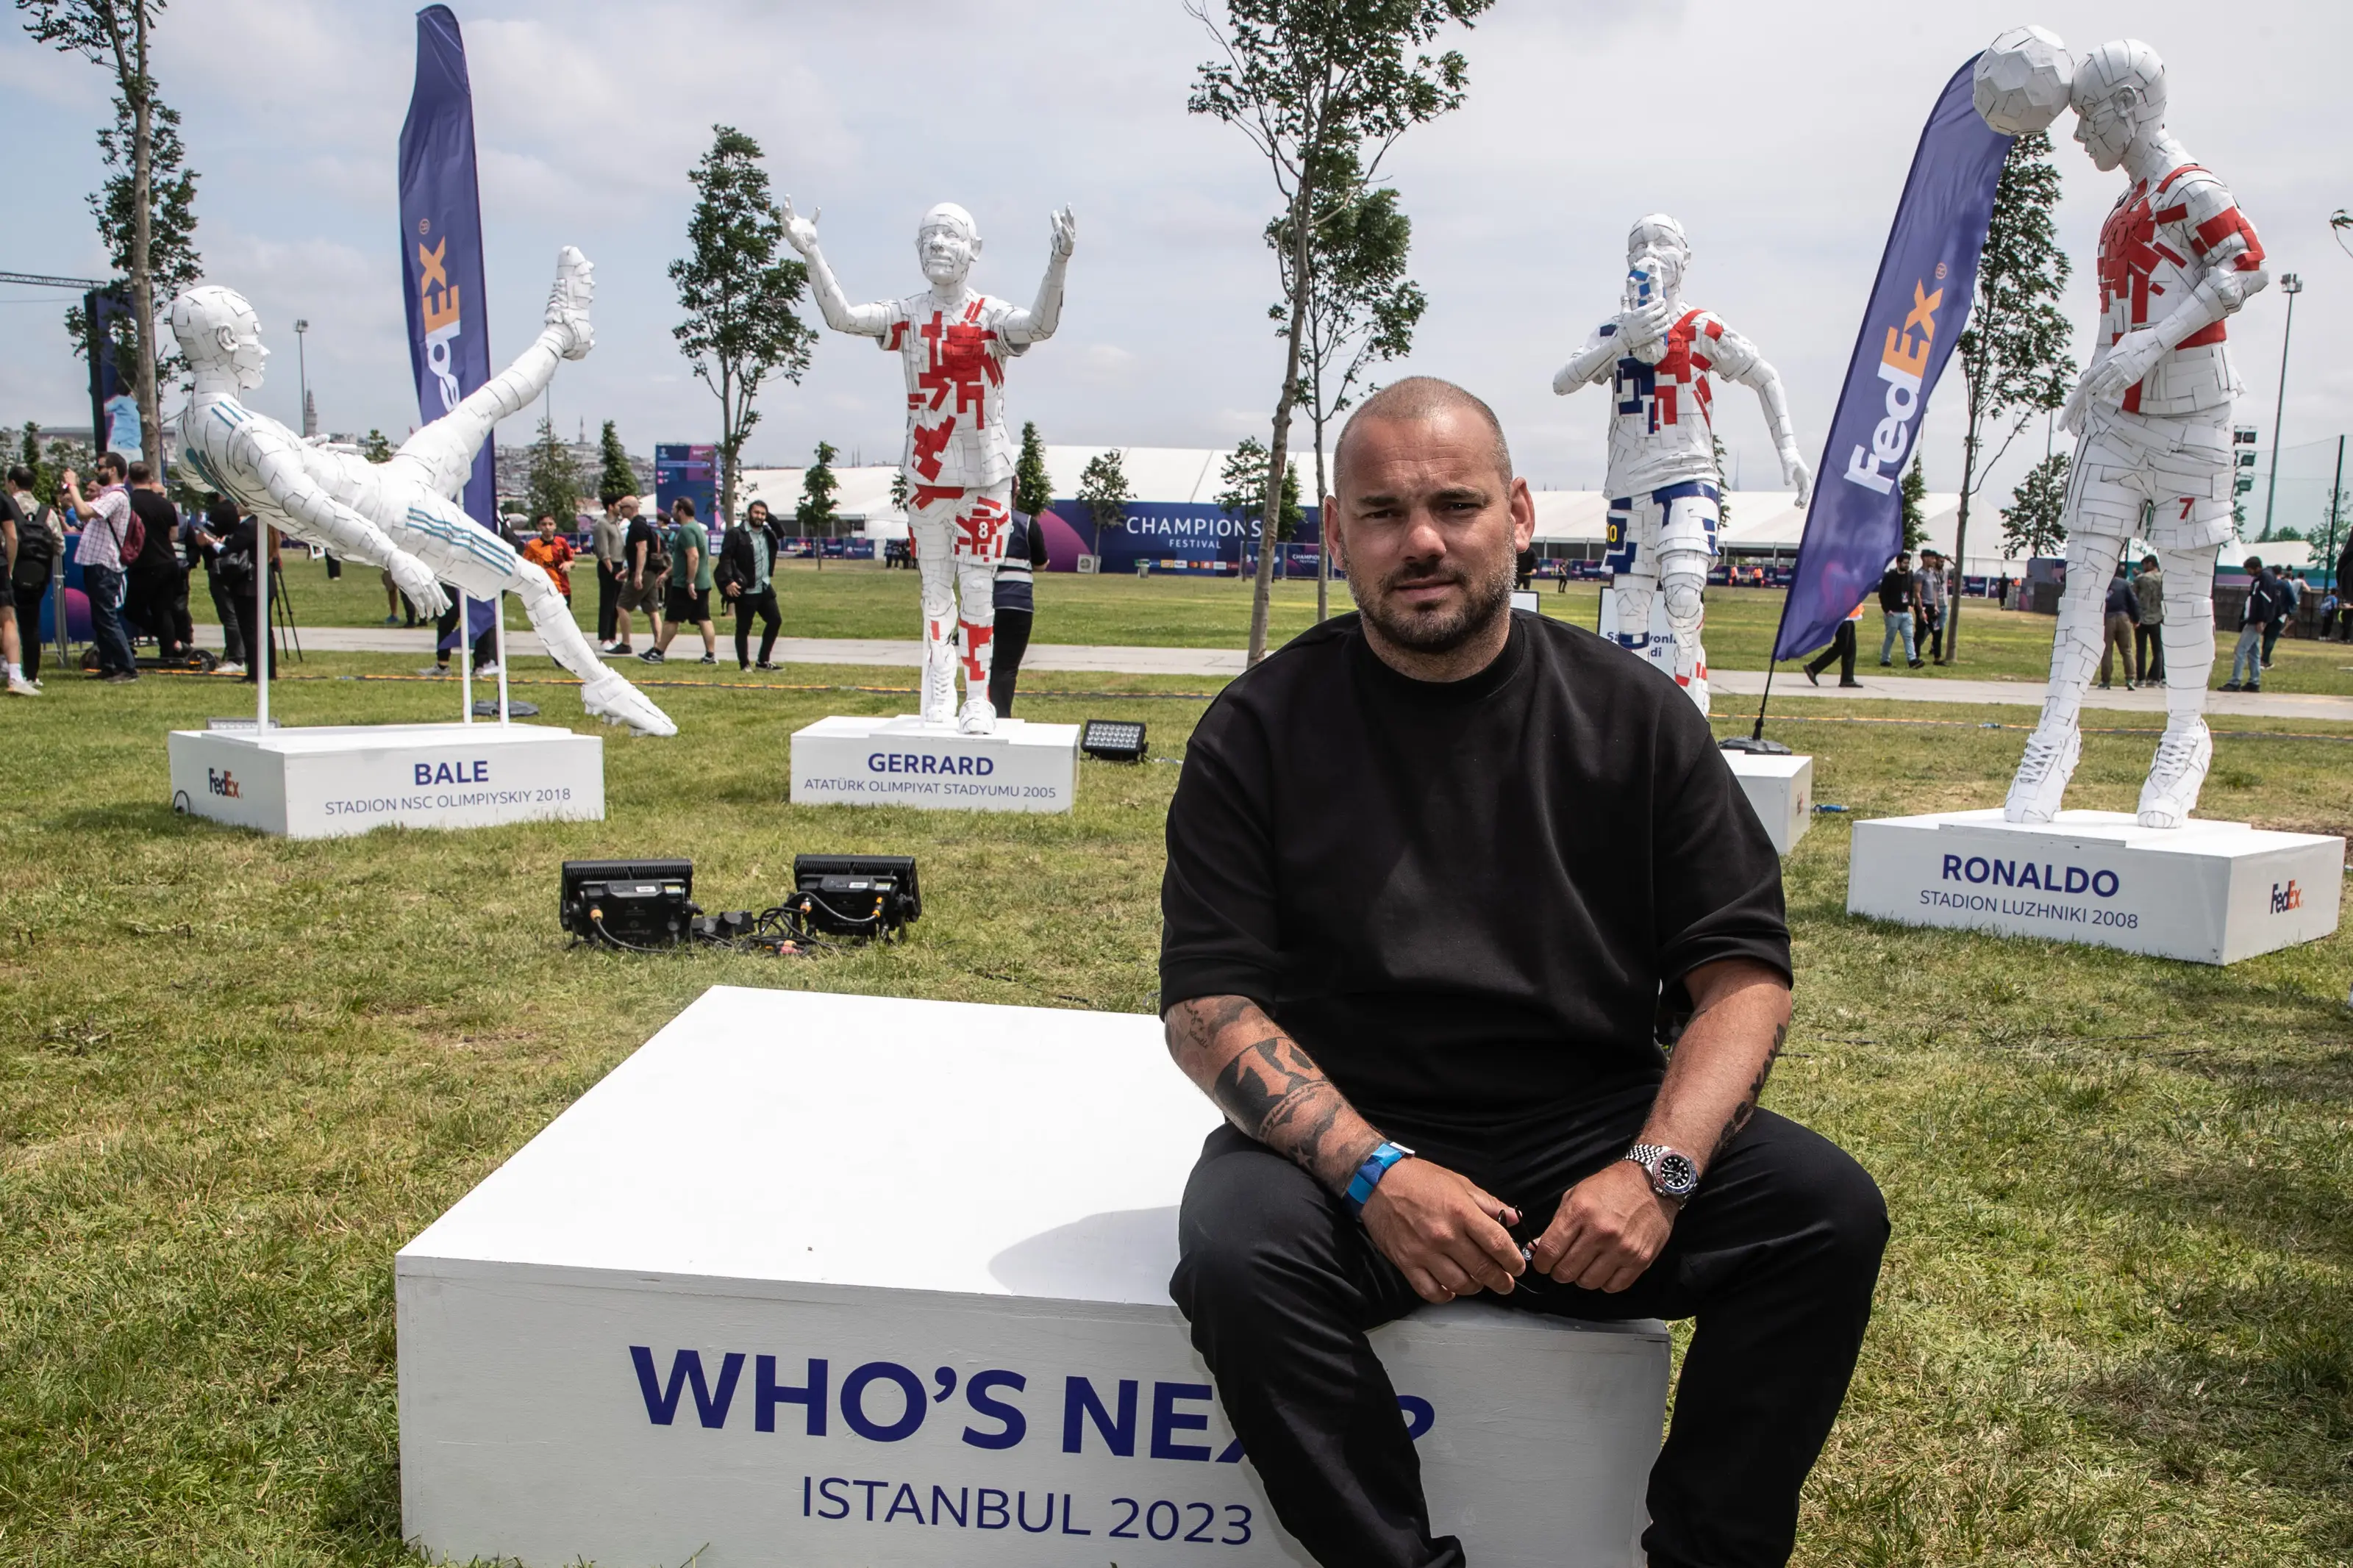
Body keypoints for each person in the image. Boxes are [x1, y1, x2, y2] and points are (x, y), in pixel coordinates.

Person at [1161, 378, 1885, 1568]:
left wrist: (1656, 1173)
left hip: (1593, 1133)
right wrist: (1378, 1174)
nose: (1423, 541)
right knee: (1240, 1254)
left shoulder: (1634, 716)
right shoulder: (1259, 730)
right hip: (1356, 1138)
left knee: (1825, 1214)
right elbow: (1208, 1010)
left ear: (1521, 514)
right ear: (1335, 535)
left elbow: (1743, 978)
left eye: (1456, 504)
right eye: (1383, 513)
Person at [60, 453, 140, 681]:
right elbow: (81, 512)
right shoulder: (107, 495)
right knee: (100, 618)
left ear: (113, 470)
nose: (97, 471)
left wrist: (72, 486)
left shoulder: (117, 496)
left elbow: (84, 513)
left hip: (105, 564)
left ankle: (127, 668)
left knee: (106, 617)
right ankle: (109, 665)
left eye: (101, 467)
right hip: (96, 563)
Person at [988, 506, 1051, 716]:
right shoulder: (1027, 523)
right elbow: (1041, 564)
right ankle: (1001, 717)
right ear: (1016, 492)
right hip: (1017, 602)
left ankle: (978, 712)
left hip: (981, 602)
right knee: (1006, 667)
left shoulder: (976, 518)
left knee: (980, 664)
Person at [124, 462, 189, 663]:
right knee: (163, 610)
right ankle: (169, 651)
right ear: (150, 478)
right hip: (168, 561)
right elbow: (174, 534)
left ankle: (170, 640)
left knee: (133, 610)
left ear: (129, 478)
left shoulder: (129, 502)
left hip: (144, 563)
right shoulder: (165, 504)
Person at [214, 507, 279, 682]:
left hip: (250, 582)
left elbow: (231, 550)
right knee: (265, 629)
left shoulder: (249, 526)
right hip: (265, 579)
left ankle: (256, 673)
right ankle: (269, 671)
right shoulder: (267, 523)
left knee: (251, 630)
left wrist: (214, 544)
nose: (236, 506)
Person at [7, 466, 57, 690]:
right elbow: (59, 545)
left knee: (7, 622)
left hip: (9, 573)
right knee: (31, 625)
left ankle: (9, 667)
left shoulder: (7, 507)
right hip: (37, 576)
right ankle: (32, 674)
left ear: (12, 484)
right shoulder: (47, 513)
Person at [721, 498, 783, 670]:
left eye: (763, 514)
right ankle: (744, 664)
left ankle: (763, 661)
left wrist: (768, 517)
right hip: (747, 589)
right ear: (749, 513)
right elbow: (725, 558)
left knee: (775, 620)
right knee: (743, 628)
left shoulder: (767, 533)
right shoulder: (736, 534)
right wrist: (729, 581)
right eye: (756, 512)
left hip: (764, 587)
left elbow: (781, 531)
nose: (759, 516)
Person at [651, 496, 715, 665]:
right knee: (703, 618)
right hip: (702, 582)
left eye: (674, 509)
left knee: (672, 619)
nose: (671, 512)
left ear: (681, 511)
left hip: (685, 585)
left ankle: (658, 653)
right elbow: (683, 560)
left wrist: (690, 581)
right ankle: (710, 655)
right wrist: (666, 574)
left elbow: (693, 556)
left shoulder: (687, 530)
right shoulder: (697, 528)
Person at [191, 494, 247, 672]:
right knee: (242, 613)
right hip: (243, 568)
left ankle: (237, 658)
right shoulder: (244, 513)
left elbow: (203, 538)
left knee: (229, 614)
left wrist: (202, 540)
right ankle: (246, 653)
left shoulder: (222, 510)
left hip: (222, 567)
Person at [2221, 556, 2282, 692]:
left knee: (2240, 650)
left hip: (2256, 620)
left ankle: (2235, 681)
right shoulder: (2265, 577)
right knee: (2254, 651)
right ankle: (2254, 681)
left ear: (2257, 568)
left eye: (2249, 570)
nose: (2248, 573)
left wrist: (2261, 619)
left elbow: (2265, 600)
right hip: (2256, 619)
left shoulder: (2264, 579)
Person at [617, 494, 667, 657]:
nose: (620, 510)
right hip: (650, 572)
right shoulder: (642, 524)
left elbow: (642, 549)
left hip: (644, 573)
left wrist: (637, 574)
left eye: (622, 507)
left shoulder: (637, 526)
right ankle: (658, 646)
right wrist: (628, 571)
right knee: (652, 610)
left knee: (622, 606)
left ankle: (625, 643)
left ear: (631, 508)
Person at [1803, 600, 1866, 688]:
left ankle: (1847, 678)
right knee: (1842, 645)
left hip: (1848, 614)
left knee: (1850, 647)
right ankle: (1814, 667)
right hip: (1840, 613)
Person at [2097, 562, 2140, 690]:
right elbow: (2134, 602)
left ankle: (2106, 680)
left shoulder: (2100, 584)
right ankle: (2130, 679)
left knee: (2107, 650)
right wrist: (2136, 619)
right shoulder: (2124, 584)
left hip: (2107, 617)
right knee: (2127, 650)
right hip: (2123, 617)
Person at [592, 498, 626, 650]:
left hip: (619, 564)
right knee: (607, 602)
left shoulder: (616, 524)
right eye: (619, 505)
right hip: (609, 565)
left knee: (616, 604)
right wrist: (611, 569)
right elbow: (603, 549)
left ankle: (612, 636)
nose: (621, 507)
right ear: (611, 506)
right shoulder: (602, 524)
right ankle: (604, 637)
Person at [1877, 551, 1921, 668]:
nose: (1907, 565)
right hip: (1893, 613)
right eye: (1905, 563)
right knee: (1890, 637)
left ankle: (1912, 660)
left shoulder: (1909, 575)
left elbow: (1911, 591)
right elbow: (1883, 594)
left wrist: (1911, 604)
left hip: (1906, 612)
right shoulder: (1890, 576)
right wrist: (1887, 610)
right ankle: (1885, 659)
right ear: (1898, 563)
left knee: (1908, 637)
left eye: (1908, 563)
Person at [521, 513, 576, 601]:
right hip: (543, 589)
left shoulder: (562, 542)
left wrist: (568, 564)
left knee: (565, 610)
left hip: (563, 588)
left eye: (550, 524)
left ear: (555, 526)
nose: (547, 527)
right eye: (544, 524)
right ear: (538, 526)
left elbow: (572, 562)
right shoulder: (532, 545)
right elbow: (525, 566)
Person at [2130, 554, 2165, 681]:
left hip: (2142, 617)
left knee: (2141, 650)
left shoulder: (2141, 579)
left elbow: (2134, 595)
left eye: (2144, 565)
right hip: (2158, 616)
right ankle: (2156, 678)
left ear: (2149, 563)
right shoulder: (2163, 578)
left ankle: (2141, 679)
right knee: (2158, 650)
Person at [1915, 548, 1949, 662]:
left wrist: (1935, 605)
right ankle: (1915, 657)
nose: (1934, 561)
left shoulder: (1932, 573)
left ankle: (1937, 658)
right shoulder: (1920, 574)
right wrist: (1921, 611)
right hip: (1924, 606)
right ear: (1925, 559)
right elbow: (1917, 593)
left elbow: (1935, 590)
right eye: (1932, 558)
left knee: (1937, 631)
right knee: (1920, 632)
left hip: (1931, 606)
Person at [2262, 569, 2299, 667]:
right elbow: (2292, 600)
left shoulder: (2269, 583)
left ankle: (2262, 658)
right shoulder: (2285, 585)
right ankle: (2265, 660)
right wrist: (2289, 611)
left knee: (2266, 636)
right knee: (2272, 637)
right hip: (2280, 614)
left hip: (2267, 613)